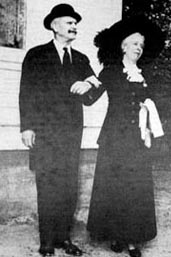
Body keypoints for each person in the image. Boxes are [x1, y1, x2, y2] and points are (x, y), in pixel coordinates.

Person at [19, 4, 100, 257]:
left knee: (68, 186)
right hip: (44, 132)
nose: (74, 26)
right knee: (47, 185)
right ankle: (46, 241)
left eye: (75, 23)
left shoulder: (81, 60)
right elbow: (26, 93)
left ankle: (64, 238)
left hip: (71, 134)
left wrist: (88, 84)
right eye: (68, 22)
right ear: (54, 26)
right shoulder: (36, 55)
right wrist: (27, 126)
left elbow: (97, 89)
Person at [86, 15, 165, 257]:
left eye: (141, 45)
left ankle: (133, 240)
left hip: (138, 140)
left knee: (135, 188)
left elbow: (151, 104)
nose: (139, 49)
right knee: (114, 186)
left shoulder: (144, 75)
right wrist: (84, 83)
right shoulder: (109, 72)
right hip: (114, 138)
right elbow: (89, 98)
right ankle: (116, 234)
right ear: (122, 46)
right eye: (134, 44)